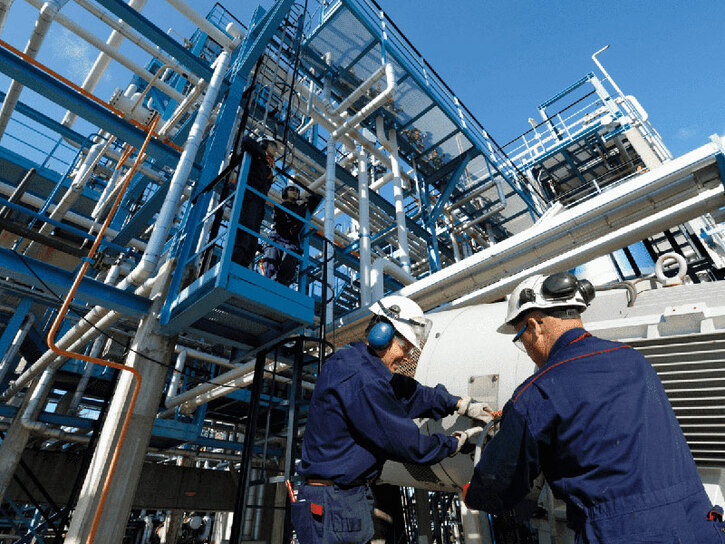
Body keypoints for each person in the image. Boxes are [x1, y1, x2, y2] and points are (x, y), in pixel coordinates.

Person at [463, 272, 725, 543]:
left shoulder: (538, 392)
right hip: (699, 525)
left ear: (534, 326)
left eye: (521, 337)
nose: (527, 348)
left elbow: (501, 484)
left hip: (622, 535)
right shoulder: (634, 361)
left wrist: (473, 494)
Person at [293, 295, 492, 544]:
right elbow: (407, 444)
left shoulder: (357, 363)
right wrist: (453, 443)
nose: (408, 358)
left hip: (341, 497)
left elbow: (411, 393)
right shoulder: (363, 379)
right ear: (382, 334)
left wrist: (457, 403)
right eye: (406, 347)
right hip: (333, 503)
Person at [260, 181, 322, 286]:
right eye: (292, 189)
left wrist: (306, 200)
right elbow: (284, 218)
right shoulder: (280, 207)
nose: (295, 192)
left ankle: (280, 285)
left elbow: (317, 198)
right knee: (270, 264)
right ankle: (268, 284)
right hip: (277, 237)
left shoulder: (302, 209)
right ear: (285, 193)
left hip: (291, 240)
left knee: (288, 265)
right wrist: (301, 206)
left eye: (298, 191)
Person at [232, 136, 278, 267]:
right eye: (273, 146)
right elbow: (245, 140)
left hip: (258, 205)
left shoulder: (268, 167)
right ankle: (235, 262)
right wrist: (263, 155)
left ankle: (245, 264)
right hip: (248, 199)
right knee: (244, 233)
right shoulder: (256, 156)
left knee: (253, 237)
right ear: (264, 144)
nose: (275, 150)